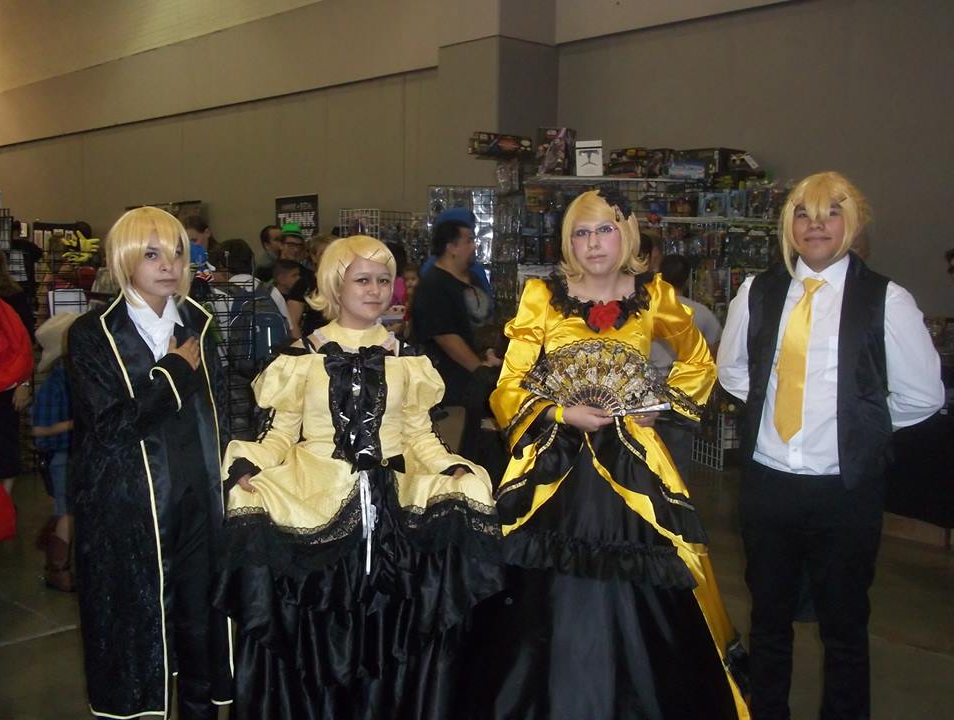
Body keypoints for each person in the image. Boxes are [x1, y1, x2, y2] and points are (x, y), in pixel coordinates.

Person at [474, 190, 749, 719]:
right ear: (568, 242)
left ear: (626, 234)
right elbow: (509, 383)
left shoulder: (656, 295)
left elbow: (699, 360)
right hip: (556, 466)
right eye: (581, 232)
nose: (594, 243)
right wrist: (559, 413)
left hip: (634, 462)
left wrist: (660, 406)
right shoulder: (541, 296)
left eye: (604, 229)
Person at [213, 235, 503, 719]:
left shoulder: (406, 357)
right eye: (362, 280)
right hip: (316, 502)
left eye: (384, 280)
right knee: (322, 625)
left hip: (390, 509)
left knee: (388, 623)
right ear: (334, 285)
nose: (375, 290)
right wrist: (249, 466)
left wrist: (450, 468)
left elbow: (419, 435)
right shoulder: (301, 356)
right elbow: (279, 435)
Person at [717, 171, 945, 720]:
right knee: (768, 621)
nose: (815, 226)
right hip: (769, 485)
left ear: (853, 223)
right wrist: (776, 409)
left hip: (844, 492)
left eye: (830, 214)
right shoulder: (756, 292)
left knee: (845, 629)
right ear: (788, 225)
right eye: (803, 214)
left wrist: (859, 425)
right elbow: (733, 372)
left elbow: (923, 395)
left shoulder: (887, 299)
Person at [67, 206, 233, 719]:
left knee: (200, 622)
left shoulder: (199, 323)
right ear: (124, 260)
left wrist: (238, 466)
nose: (169, 265)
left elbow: (222, 409)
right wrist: (174, 373)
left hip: (200, 502)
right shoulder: (92, 334)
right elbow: (110, 428)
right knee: (137, 632)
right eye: (152, 254)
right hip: (130, 512)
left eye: (177, 253)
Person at [412, 211, 501, 461]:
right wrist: (479, 370)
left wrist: (490, 355)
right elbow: (445, 336)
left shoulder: (473, 278)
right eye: (469, 240)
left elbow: (481, 325)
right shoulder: (433, 285)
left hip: (474, 383)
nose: (474, 246)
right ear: (451, 247)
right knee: (453, 452)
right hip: (450, 386)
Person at [650, 253, 723, 478]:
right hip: (682, 397)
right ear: (688, 278)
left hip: (645, 396)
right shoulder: (701, 313)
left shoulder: (645, 309)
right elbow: (715, 352)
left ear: (659, 274)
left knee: (644, 460)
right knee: (677, 465)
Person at [30, 312, 78, 592]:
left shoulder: (71, 377)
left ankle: (53, 549)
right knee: (67, 511)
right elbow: (39, 429)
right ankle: (57, 568)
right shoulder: (57, 383)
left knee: (69, 509)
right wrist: (75, 423)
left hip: (72, 453)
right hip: (62, 455)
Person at [0, 245, 35, 497]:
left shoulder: (13, 296)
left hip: (7, 385)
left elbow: (25, 344)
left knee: (4, 442)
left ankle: (4, 503)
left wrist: (24, 384)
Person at [286, 233, 332, 338]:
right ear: (314, 257)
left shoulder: (348, 283)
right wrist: (301, 346)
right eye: (324, 253)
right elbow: (292, 321)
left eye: (334, 253)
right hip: (313, 342)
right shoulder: (304, 284)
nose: (330, 257)